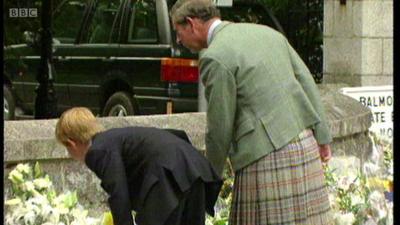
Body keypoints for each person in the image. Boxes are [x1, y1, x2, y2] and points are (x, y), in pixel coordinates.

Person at [170, 0, 333, 224]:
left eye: (178, 32)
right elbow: (306, 80)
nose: (179, 40)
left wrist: (211, 180)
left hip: (264, 157)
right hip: (305, 145)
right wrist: (322, 136)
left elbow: (219, 128)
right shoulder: (267, 33)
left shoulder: (215, 57)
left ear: (191, 24)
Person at [55, 107, 222, 225]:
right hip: (192, 169)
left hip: (167, 178)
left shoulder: (97, 150)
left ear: (72, 143)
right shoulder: (114, 139)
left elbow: (118, 193)